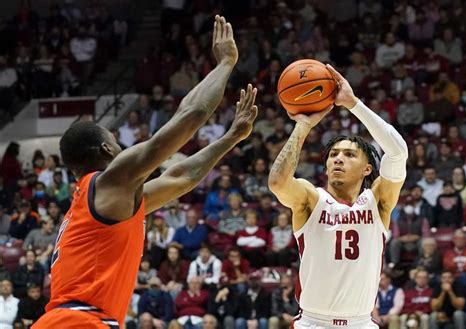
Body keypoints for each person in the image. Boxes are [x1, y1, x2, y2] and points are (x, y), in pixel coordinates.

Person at [33, 15, 259, 329]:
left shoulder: (103, 202)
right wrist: (225, 64)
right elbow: (189, 116)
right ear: (107, 151)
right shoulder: (109, 181)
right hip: (79, 321)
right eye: (115, 140)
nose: (121, 146)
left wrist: (231, 137)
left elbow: (181, 178)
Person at [269, 64, 408, 328]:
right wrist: (303, 126)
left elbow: (398, 152)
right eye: (333, 155)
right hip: (312, 323)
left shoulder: (377, 201)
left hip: (361, 323)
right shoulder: (311, 199)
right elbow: (277, 182)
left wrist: (353, 103)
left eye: (349, 154)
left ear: (367, 168)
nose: (338, 159)